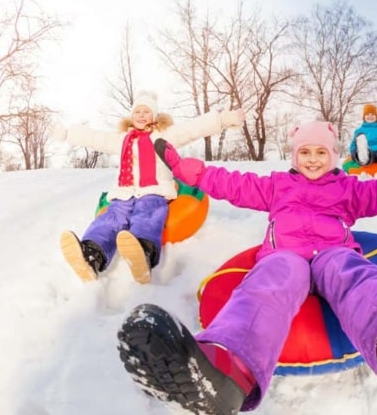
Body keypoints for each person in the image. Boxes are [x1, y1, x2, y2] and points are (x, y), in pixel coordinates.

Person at [117, 121, 377, 415]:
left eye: (321, 152)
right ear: (295, 156)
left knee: (355, 276)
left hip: (333, 253)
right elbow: (228, 183)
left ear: (333, 156)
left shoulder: (348, 190)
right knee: (267, 287)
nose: (313, 160)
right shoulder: (278, 186)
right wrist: (183, 169)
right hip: (286, 256)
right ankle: (221, 381)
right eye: (305, 152)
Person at [52, 90, 244, 284]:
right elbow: (95, 138)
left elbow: (192, 129)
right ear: (131, 116)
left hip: (154, 191)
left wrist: (222, 119)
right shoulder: (122, 139)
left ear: (154, 116)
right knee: (111, 218)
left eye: (146, 112)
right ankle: (91, 254)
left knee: (148, 214)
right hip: (124, 193)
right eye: (137, 112)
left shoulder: (163, 135)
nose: (141, 115)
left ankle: (143, 253)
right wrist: (68, 134)